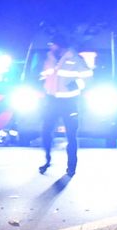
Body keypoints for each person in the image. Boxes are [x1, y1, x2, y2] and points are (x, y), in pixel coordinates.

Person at [39, 34, 92, 176]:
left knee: (71, 135)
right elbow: (45, 74)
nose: (51, 47)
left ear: (60, 46)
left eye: (53, 44)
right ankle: (47, 160)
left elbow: (88, 76)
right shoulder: (50, 58)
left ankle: (71, 166)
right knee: (45, 132)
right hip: (52, 101)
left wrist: (76, 84)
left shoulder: (75, 59)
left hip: (69, 102)